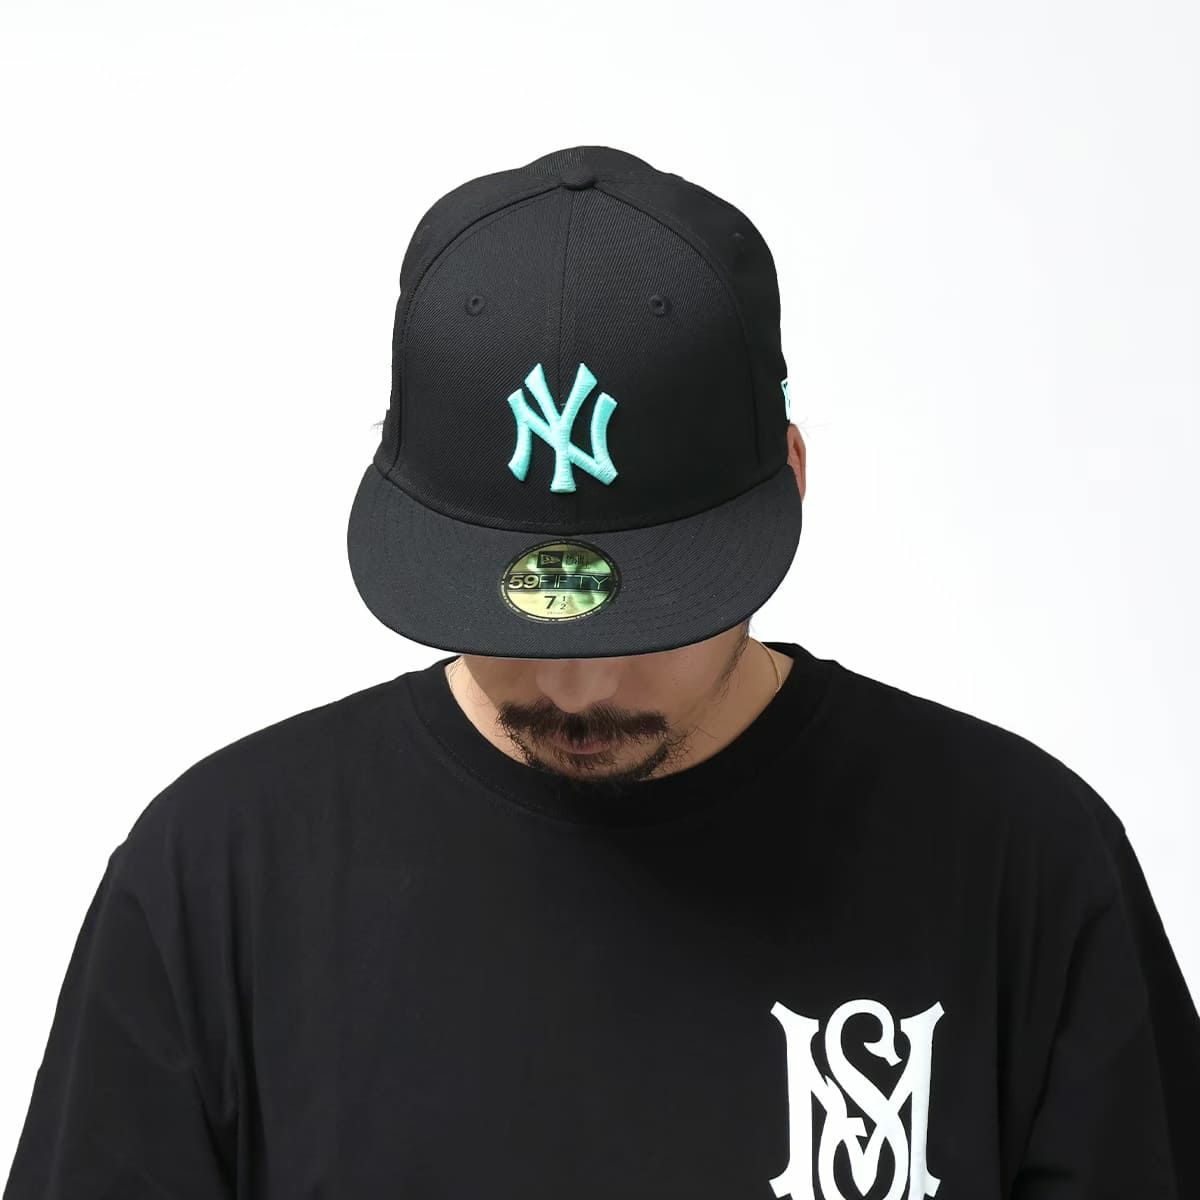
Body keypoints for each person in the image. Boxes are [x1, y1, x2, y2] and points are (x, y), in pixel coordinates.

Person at [4, 144, 1198, 1199]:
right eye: (515, 620)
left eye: (650, 616)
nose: (576, 690)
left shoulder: (1023, 867)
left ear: (788, 477)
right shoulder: (216, 881)